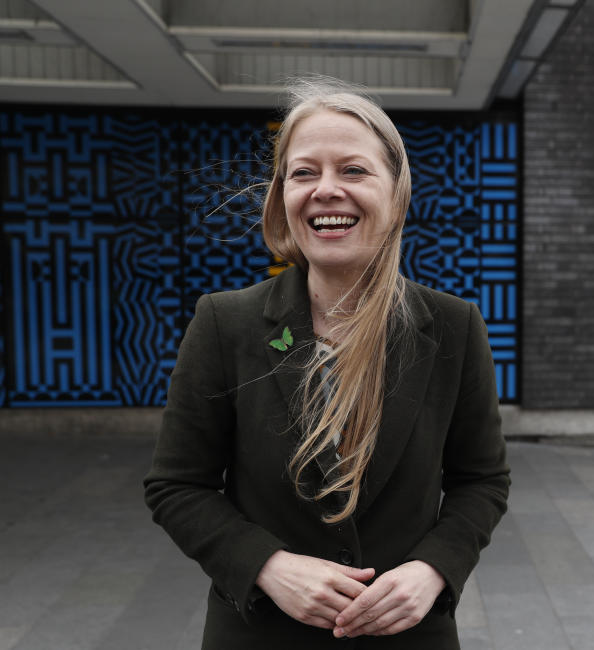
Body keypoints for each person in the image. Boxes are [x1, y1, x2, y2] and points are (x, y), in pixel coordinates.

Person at [144, 77, 510, 649]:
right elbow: (177, 486)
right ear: (282, 196)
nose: (326, 190)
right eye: (304, 172)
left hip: (410, 635)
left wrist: (433, 569)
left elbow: (482, 481)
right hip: (261, 634)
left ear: (397, 192)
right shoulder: (224, 322)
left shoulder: (454, 326)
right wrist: (267, 565)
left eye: (354, 170)